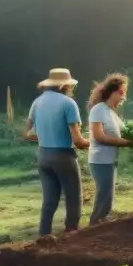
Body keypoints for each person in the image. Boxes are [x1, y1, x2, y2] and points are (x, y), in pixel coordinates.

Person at [23, 68, 90, 236]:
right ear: (63, 86)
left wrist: (46, 137)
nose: (71, 88)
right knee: (73, 196)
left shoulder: (37, 102)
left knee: (49, 200)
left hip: (43, 156)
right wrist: (94, 143)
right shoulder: (68, 104)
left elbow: (27, 133)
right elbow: (78, 140)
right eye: (69, 85)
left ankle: (43, 235)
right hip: (63, 156)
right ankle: (72, 232)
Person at [87, 73, 132, 225]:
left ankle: (102, 223)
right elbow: (99, 136)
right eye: (120, 93)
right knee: (104, 194)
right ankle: (94, 224)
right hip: (100, 159)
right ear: (111, 92)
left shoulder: (111, 113)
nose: (123, 97)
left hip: (110, 160)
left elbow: (125, 131)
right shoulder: (98, 109)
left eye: (124, 94)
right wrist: (125, 143)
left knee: (108, 194)